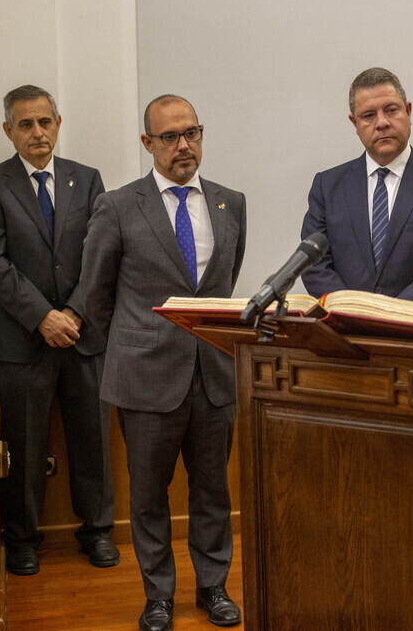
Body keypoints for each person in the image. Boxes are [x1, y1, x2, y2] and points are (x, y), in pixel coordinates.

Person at [82, 95, 246, 631]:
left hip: (214, 377)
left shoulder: (230, 202)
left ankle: (212, 587)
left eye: (192, 133)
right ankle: (157, 596)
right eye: (171, 137)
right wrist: (135, 348)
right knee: (149, 497)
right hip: (144, 378)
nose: (184, 146)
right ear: (148, 143)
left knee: (213, 491)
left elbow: (222, 285)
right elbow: (95, 295)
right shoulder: (118, 205)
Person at [0, 84, 117, 576]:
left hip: (83, 335)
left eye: (45, 121)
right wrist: (43, 317)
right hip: (22, 340)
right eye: (26, 124)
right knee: (24, 445)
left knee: (93, 441)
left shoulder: (87, 180)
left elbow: (100, 256)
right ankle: (22, 539)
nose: (38, 132)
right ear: (8, 131)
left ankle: (97, 531)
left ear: (58, 123)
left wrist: (73, 313)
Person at [300, 67, 413, 303]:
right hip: (344, 327)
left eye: (391, 110)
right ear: (354, 123)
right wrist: (352, 310)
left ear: (408, 112)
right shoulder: (327, 186)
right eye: (369, 115)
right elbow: (314, 263)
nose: (382, 123)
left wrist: (391, 313)